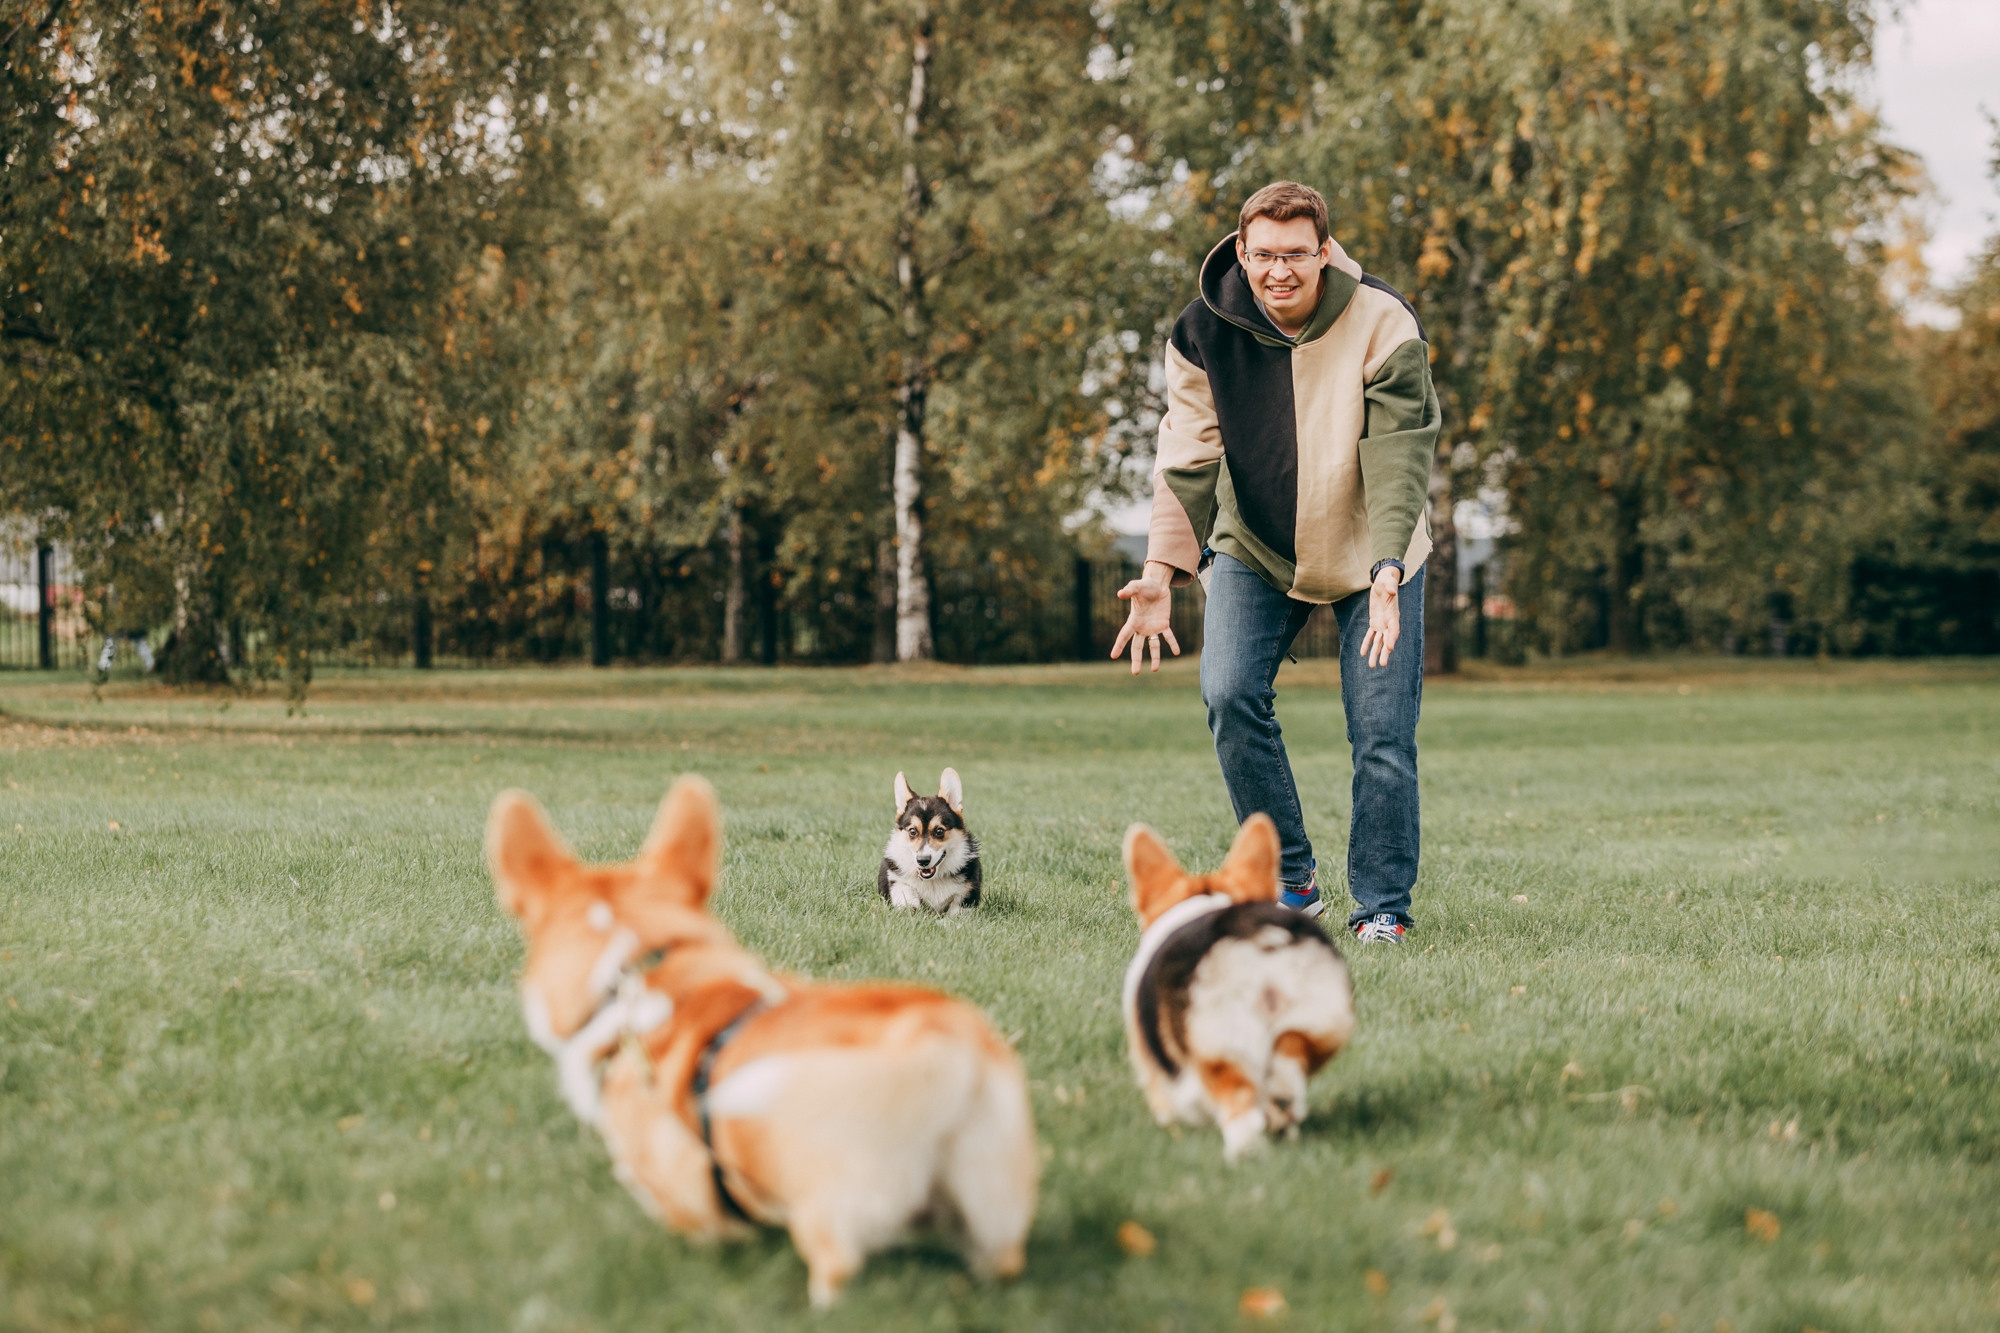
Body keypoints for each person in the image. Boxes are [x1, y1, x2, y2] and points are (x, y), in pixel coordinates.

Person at [1111, 182, 1439, 944]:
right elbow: (1187, 455)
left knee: (1382, 731)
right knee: (1227, 692)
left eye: (1296, 254)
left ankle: (1382, 906)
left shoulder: (1382, 321)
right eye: (1264, 254)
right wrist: (1161, 573)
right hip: (1258, 541)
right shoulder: (1202, 329)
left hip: (1370, 552)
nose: (1278, 270)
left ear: (1324, 252)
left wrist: (1390, 567)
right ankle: (1293, 881)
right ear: (1242, 251)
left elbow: (1398, 455)